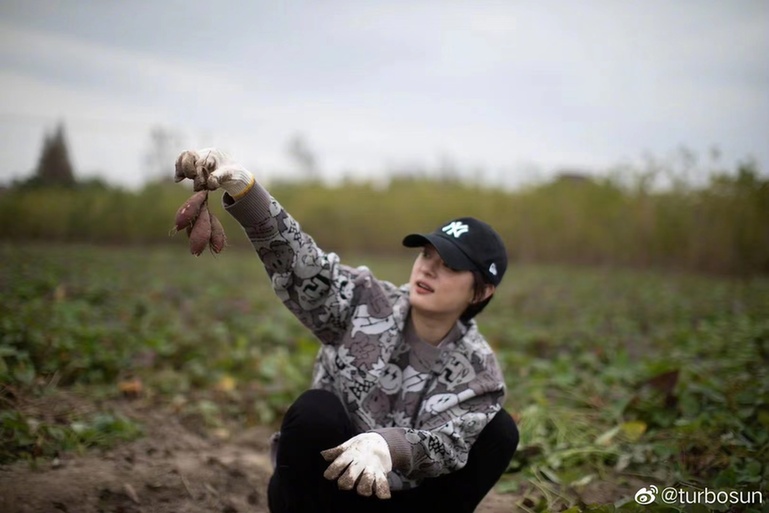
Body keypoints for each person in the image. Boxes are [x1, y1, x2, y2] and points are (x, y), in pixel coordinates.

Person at [176, 148, 519, 513]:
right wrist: (249, 195)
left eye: (449, 265)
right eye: (426, 255)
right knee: (315, 410)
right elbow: (303, 266)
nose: (428, 269)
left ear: (482, 291)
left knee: (498, 433)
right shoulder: (366, 301)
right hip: (322, 492)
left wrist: (387, 446)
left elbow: (448, 445)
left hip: (398, 500)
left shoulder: (480, 373)